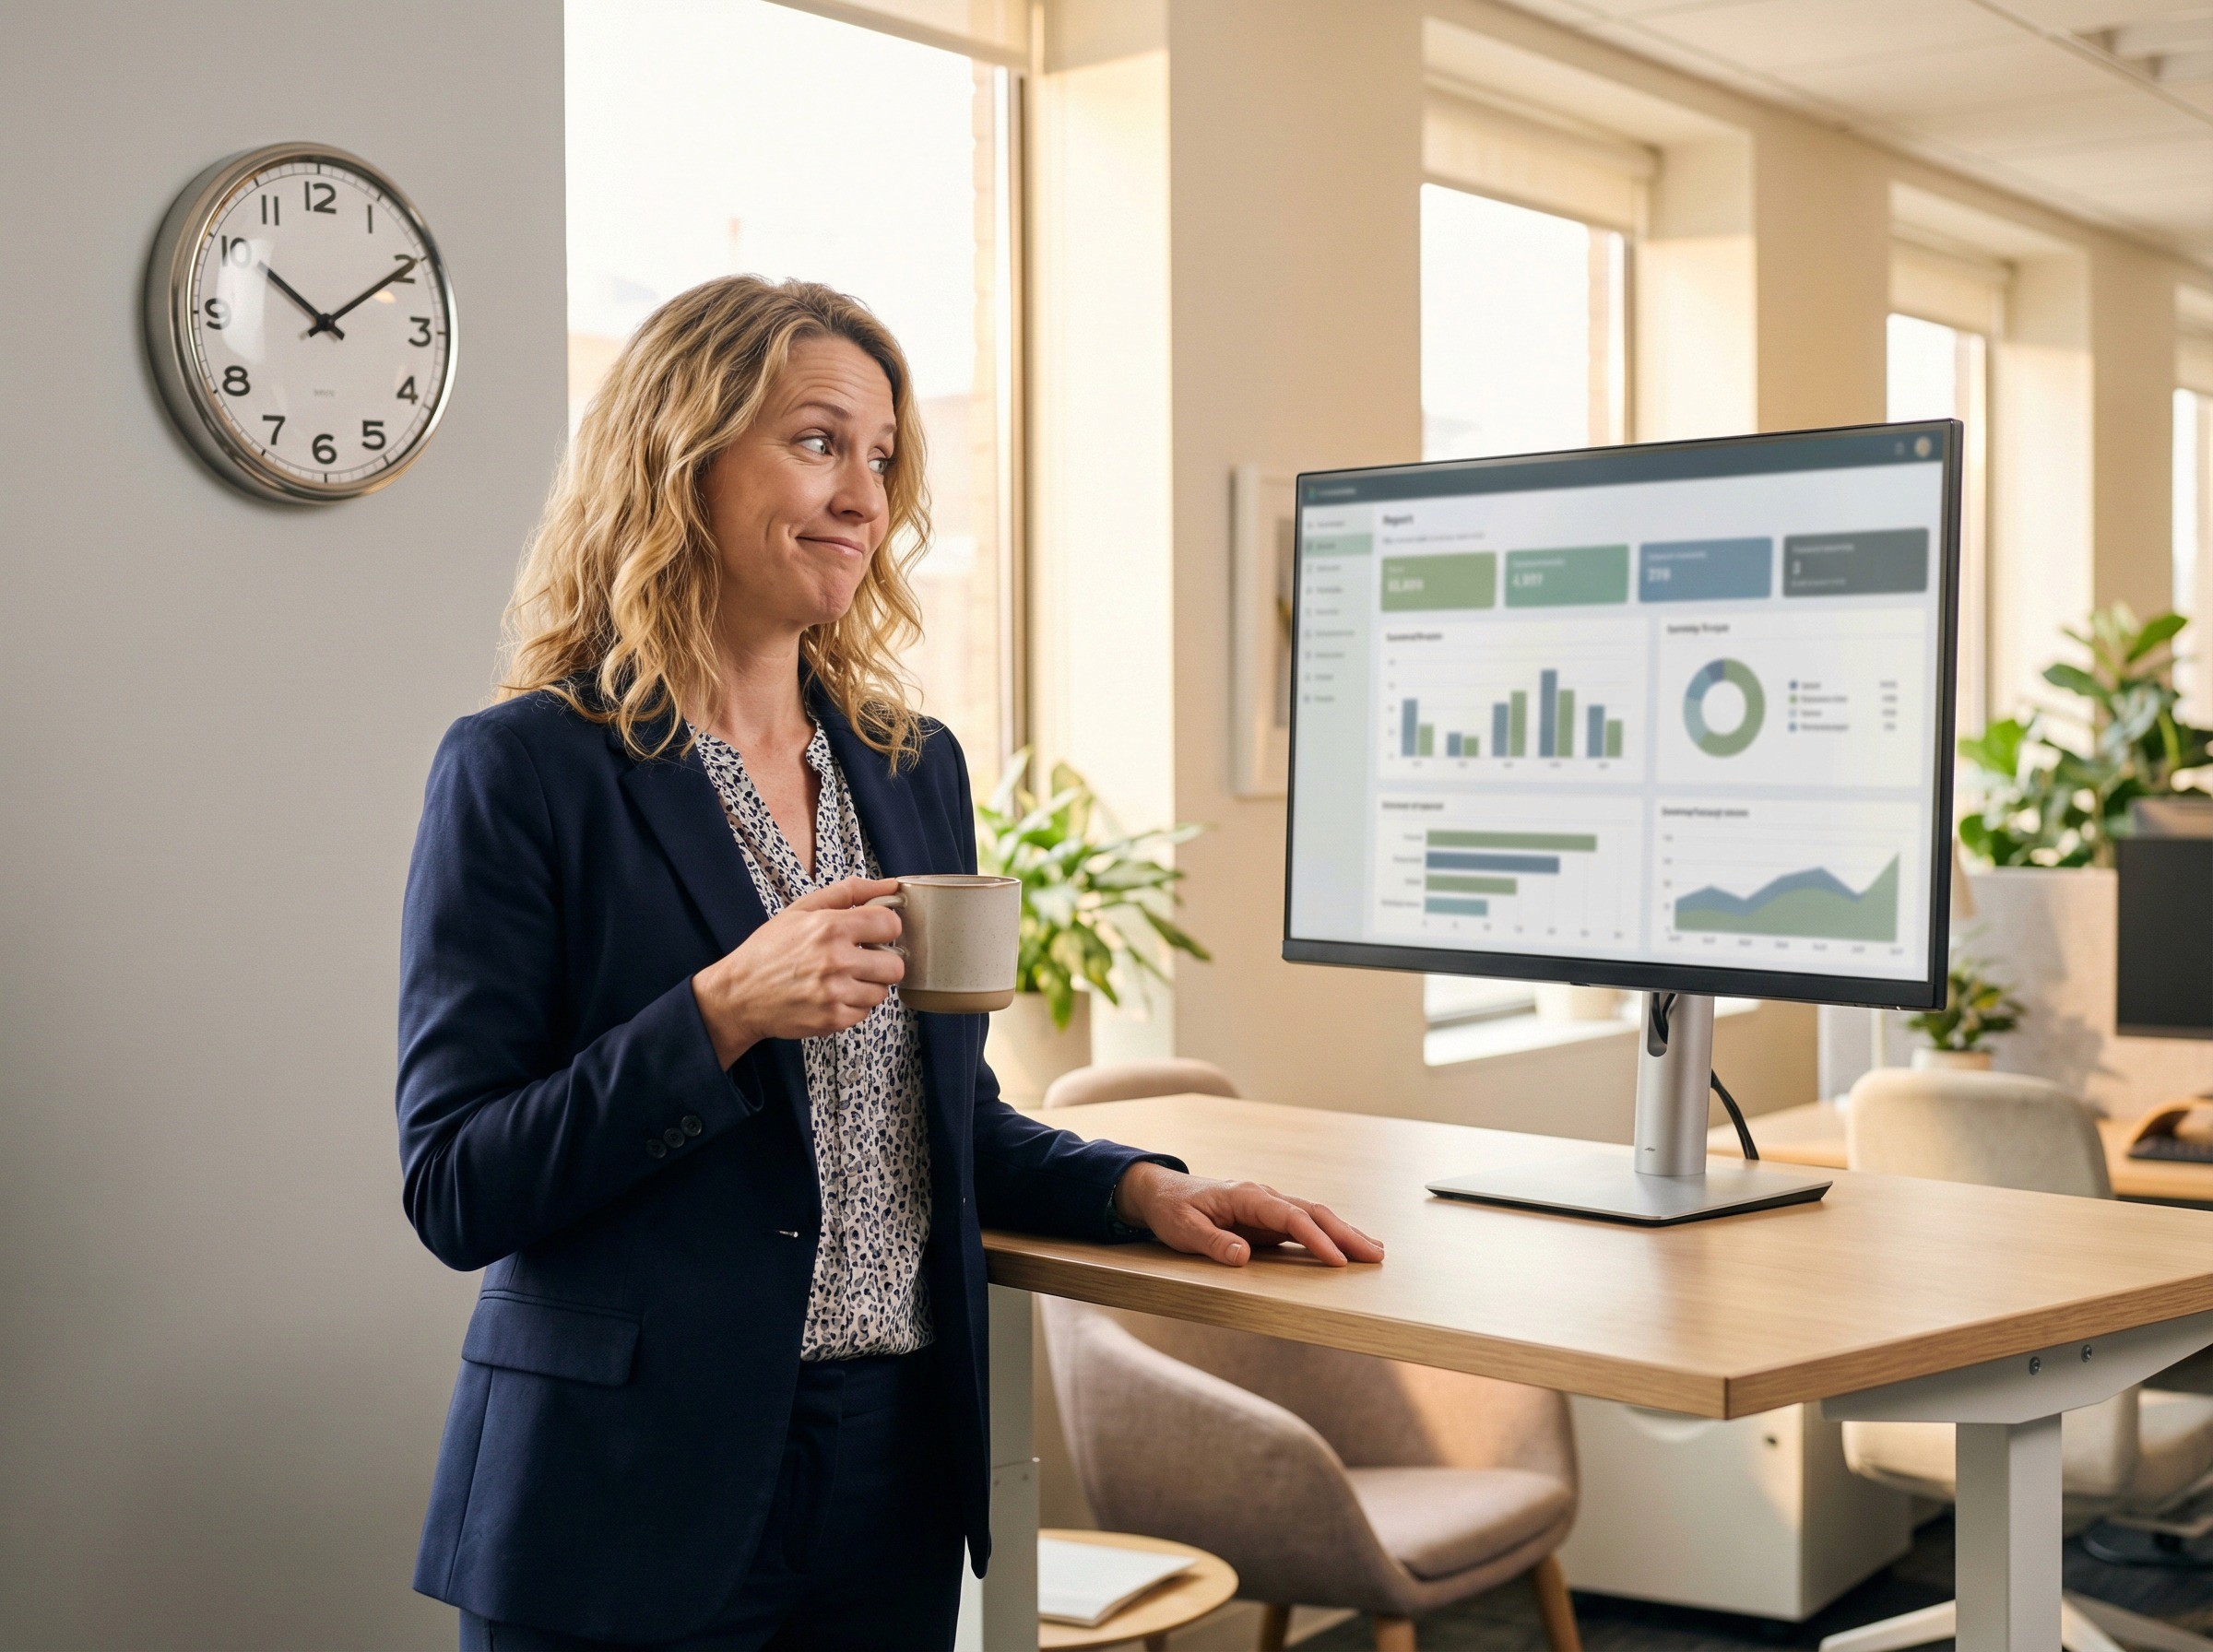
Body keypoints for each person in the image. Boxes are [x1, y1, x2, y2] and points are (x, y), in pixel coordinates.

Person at [396, 275, 1384, 1651]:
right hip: (627, 1487)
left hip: (892, 1472)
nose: (865, 494)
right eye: (817, 441)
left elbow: (938, 1123)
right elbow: (455, 1182)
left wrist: (1143, 1187)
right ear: (678, 456)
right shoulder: (524, 770)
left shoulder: (914, 767)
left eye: (881, 457)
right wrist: (721, 1012)